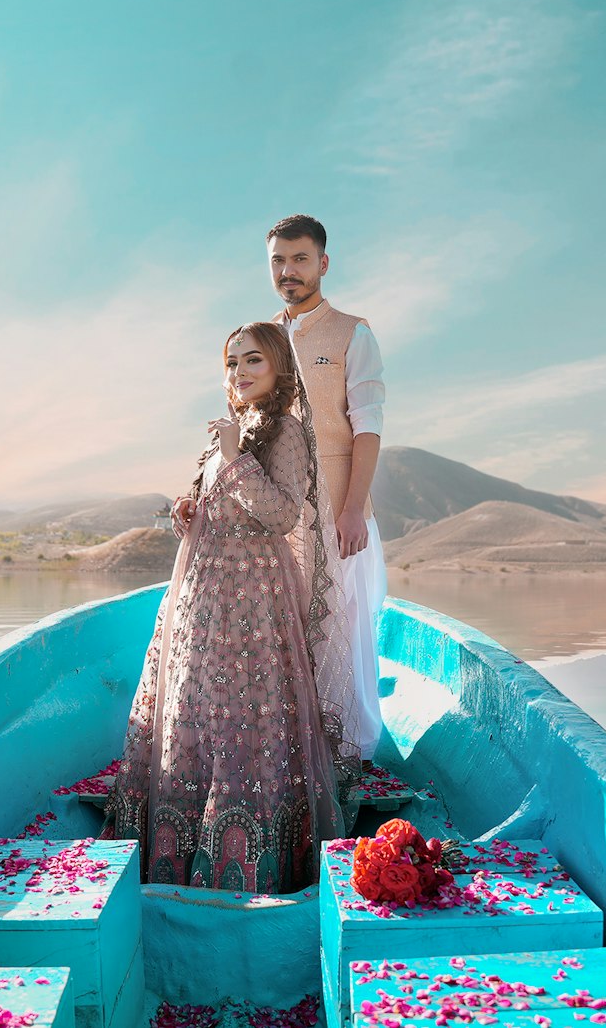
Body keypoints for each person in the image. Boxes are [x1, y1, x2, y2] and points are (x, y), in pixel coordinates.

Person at [102, 322, 359, 892]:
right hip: (203, 592)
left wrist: (237, 458)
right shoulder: (232, 429)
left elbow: (283, 516)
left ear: (279, 371)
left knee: (244, 711)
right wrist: (189, 513)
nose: (239, 373)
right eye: (231, 362)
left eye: (254, 362)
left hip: (255, 600)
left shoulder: (286, 432)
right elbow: (225, 506)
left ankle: (247, 852)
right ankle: (181, 841)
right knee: (198, 708)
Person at [267, 214, 387, 763]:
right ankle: (291, 745)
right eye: (278, 261)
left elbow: (367, 428)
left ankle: (350, 751)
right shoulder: (262, 338)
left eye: (299, 259)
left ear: (323, 263)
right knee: (282, 626)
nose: (288, 271)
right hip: (278, 512)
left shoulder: (351, 332)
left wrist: (353, 511)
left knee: (344, 624)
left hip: (340, 509)